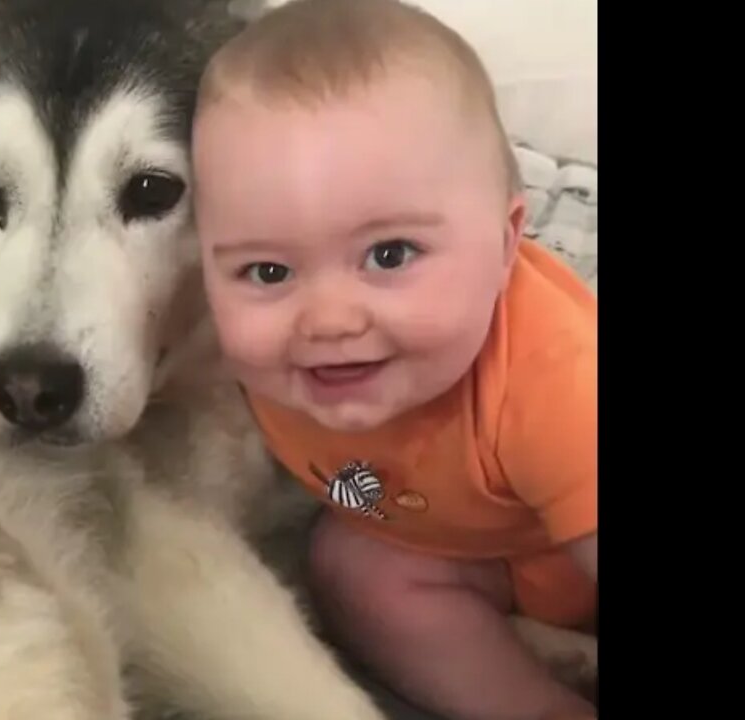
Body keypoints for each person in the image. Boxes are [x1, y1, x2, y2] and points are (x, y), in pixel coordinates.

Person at [190, 0, 598, 718]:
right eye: (268, 272)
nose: (328, 320)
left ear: (506, 244)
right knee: (351, 568)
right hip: (467, 543)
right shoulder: (242, 369)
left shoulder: (556, 382)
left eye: (389, 254)